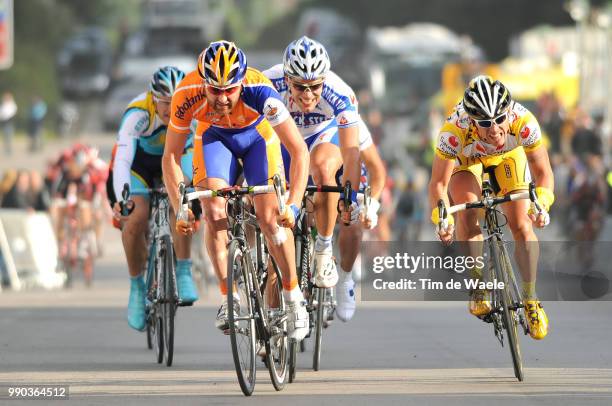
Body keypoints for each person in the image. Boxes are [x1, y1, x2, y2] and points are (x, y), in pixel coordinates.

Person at [162, 40, 310, 340]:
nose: (223, 98)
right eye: (214, 90)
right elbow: (171, 157)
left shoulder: (262, 93)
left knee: (269, 219)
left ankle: (294, 298)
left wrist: (292, 205)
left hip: (257, 137)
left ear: (241, 81)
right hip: (215, 137)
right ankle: (228, 297)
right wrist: (181, 206)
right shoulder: (187, 95)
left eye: (230, 89)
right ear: (203, 83)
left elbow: (299, 152)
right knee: (213, 210)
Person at [428, 75, 555, 340]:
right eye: (485, 123)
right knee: (467, 208)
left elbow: (544, 173)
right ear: (472, 120)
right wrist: (442, 218)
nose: (495, 129)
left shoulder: (524, 123)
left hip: (507, 157)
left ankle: (531, 298)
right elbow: (438, 184)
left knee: (521, 224)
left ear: (509, 113)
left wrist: (541, 203)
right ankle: (478, 285)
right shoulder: (453, 132)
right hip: (466, 160)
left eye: (500, 119)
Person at [262, 36, 363, 294]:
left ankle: (323, 248)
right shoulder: (267, 83)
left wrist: (348, 197)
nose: (307, 95)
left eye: (315, 87)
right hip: (286, 137)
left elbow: (351, 153)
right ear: (287, 80)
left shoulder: (340, 93)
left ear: (324, 80)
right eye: (299, 87)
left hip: (323, 135)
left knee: (323, 169)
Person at [109, 66, 199, 331]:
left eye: (176, 102)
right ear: (153, 98)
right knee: (135, 219)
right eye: (165, 103)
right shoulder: (138, 112)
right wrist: (123, 197)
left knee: (180, 202)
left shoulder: (193, 109)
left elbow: (198, 152)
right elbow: (123, 160)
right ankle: (137, 287)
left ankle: (183, 270)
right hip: (140, 166)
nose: (171, 109)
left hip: (176, 160)